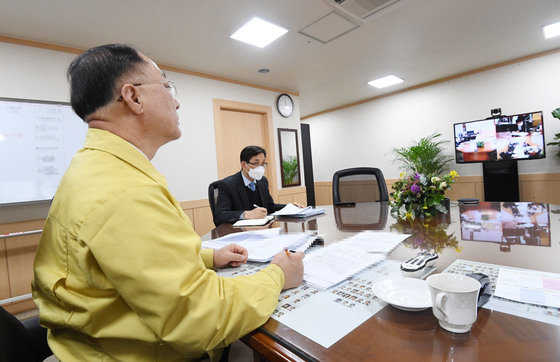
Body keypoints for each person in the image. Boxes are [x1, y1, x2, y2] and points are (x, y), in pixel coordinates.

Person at [31, 44, 305, 361]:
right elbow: (202, 317)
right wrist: (278, 275)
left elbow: (132, 262)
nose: (176, 101)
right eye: (166, 86)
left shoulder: (97, 168)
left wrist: (207, 256)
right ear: (133, 97)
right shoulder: (123, 189)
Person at [213, 146, 303, 225]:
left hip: (261, 229)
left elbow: (270, 207)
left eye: (262, 164)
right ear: (244, 164)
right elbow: (219, 216)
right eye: (256, 163)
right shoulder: (228, 184)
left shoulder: (262, 181)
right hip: (239, 233)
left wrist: (289, 207)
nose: (260, 168)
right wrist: (246, 214)